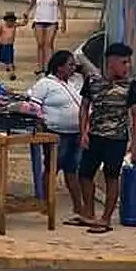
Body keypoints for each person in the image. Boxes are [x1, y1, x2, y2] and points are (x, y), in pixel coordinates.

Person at [77, 42, 136, 233]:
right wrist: (83, 132)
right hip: (94, 136)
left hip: (117, 138)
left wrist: (135, 144)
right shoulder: (93, 81)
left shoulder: (131, 86)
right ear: (111, 62)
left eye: (128, 62)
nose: (127, 67)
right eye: (124, 62)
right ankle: (89, 213)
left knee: (111, 176)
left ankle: (105, 219)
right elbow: (84, 107)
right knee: (84, 174)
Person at [28, 50, 85, 222]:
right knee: (52, 168)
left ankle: (78, 206)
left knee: (72, 170)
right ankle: (46, 204)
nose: (73, 68)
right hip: (56, 133)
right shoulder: (44, 84)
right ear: (60, 67)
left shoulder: (74, 83)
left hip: (75, 133)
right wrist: (42, 129)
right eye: (70, 65)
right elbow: (34, 108)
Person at [24, 0, 68, 75]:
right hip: (38, 21)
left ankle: (49, 66)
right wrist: (26, 13)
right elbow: (31, 5)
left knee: (48, 44)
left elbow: (62, 8)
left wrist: (64, 22)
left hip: (51, 22)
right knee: (40, 44)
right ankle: (40, 66)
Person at [0, 11, 19, 81]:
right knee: (5, 59)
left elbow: (23, 23)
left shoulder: (14, 25)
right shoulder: (2, 25)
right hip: (3, 45)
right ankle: (9, 67)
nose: (10, 23)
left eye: (12, 21)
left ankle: (12, 73)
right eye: (9, 21)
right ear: (6, 20)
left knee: (9, 59)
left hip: (9, 46)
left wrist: (26, 18)